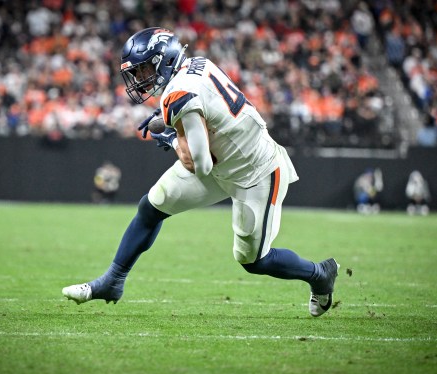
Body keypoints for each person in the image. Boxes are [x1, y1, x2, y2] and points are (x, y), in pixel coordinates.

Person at [62, 28, 339, 317]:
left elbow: (201, 163)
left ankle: (319, 274)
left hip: (255, 173)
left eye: (144, 68)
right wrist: (171, 122)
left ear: (163, 60)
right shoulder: (196, 64)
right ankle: (112, 281)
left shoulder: (179, 93)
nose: (140, 78)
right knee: (152, 205)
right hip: (223, 161)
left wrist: (170, 136)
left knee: (253, 260)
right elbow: (206, 115)